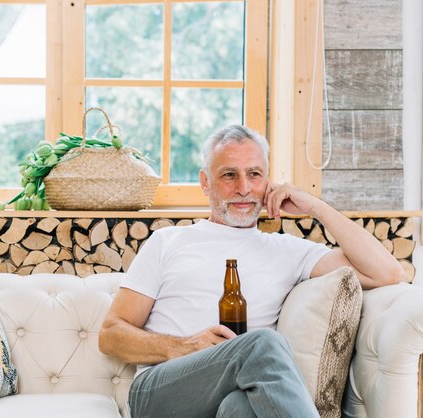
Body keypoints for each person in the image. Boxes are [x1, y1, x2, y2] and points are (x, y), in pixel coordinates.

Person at [98, 124, 404, 418]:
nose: (243, 188)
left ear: (268, 182)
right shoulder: (168, 242)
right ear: (205, 182)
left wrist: (315, 207)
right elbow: (111, 335)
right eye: (229, 175)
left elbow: (387, 273)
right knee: (263, 343)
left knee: (242, 408)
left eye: (254, 174)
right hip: (160, 394)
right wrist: (182, 346)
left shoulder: (288, 250)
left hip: (237, 392)